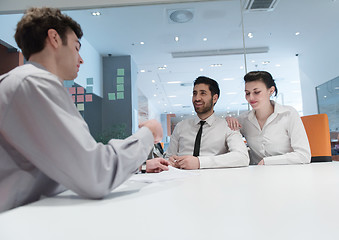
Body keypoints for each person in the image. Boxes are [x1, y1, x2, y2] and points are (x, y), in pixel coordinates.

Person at [0, 7, 164, 213]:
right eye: (77, 47)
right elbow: (95, 174)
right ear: (54, 38)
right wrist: (148, 133)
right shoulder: (33, 83)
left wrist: (138, 166)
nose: (81, 59)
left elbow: (64, 168)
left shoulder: (26, 82)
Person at [226, 71, 311, 165]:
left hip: (288, 172)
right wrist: (228, 120)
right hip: (258, 174)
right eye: (247, 93)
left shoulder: (288, 114)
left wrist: (267, 162)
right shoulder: (244, 120)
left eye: (256, 92)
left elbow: (303, 155)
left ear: (271, 91)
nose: (251, 97)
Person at [165, 76, 249, 169]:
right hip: (180, 179)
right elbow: (168, 157)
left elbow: (242, 157)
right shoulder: (180, 126)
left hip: (213, 180)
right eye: (194, 93)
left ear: (214, 98)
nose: (197, 98)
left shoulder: (227, 126)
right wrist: (170, 161)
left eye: (203, 93)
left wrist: (199, 162)